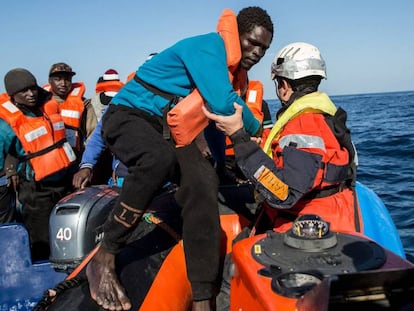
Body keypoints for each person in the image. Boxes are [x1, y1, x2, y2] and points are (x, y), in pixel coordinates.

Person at [86, 6, 273, 311]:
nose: (257, 52)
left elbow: (210, 123)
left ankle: (202, 298)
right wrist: (260, 129)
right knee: (157, 160)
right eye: (252, 42)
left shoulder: (233, 71)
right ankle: (105, 254)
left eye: (263, 48)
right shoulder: (208, 48)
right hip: (129, 116)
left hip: (170, 130)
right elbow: (223, 104)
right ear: (236, 35)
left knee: (203, 183)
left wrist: (216, 166)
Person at [203, 42, 360, 310]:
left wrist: (239, 138)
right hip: (329, 218)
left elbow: (283, 192)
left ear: (284, 85)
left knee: (235, 266)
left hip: (305, 232)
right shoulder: (322, 115)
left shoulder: (303, 122)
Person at [0, 68, 77, 260]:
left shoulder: (49, 105)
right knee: (41, 241)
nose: (31, 94)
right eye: (24, 91)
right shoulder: (6, 124)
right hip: (36, 190)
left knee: (70, 236)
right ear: (13, 96)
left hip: (66, 183)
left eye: (33, 88)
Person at [43, 62, 97, 159]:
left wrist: (87, 162)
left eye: (67, 79)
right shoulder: (39, 103)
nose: (63, 83)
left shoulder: (83, 104)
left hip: (74, 159)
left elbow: (93, 134)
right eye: (58, 79)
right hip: (47, 160)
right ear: (50, 81)